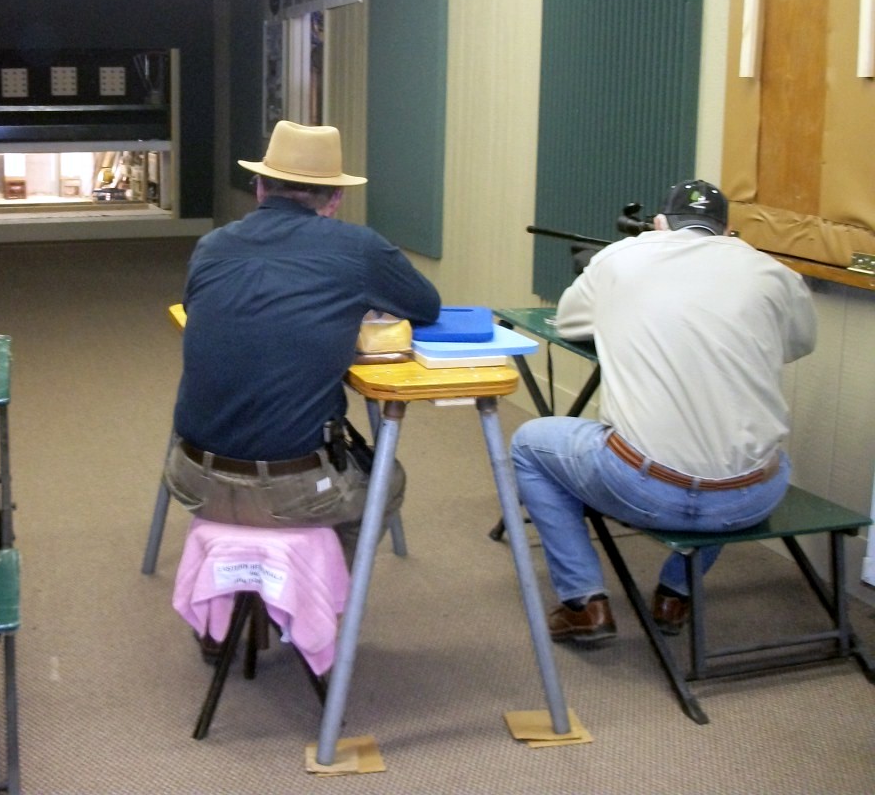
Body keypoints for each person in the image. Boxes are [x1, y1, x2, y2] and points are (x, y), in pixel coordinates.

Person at [510, 179, 817, 644]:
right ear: (727, 229)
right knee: (761, 452)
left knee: (529, 444)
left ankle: (583, 603)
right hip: (748, 498)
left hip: (645, 489)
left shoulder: (622, 257)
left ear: (658, 224)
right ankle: (675, 593)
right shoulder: (772, 272)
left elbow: (570, 320)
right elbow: (798, 343)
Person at [163, 120, 442, 575]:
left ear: (259, 187)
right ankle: (314, 599)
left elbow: (202, 310)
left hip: (191, 478)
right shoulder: (358, 249)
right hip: (293, 489)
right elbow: (426, 306)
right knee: (387, 480)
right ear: (335, 200)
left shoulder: (211, 246)